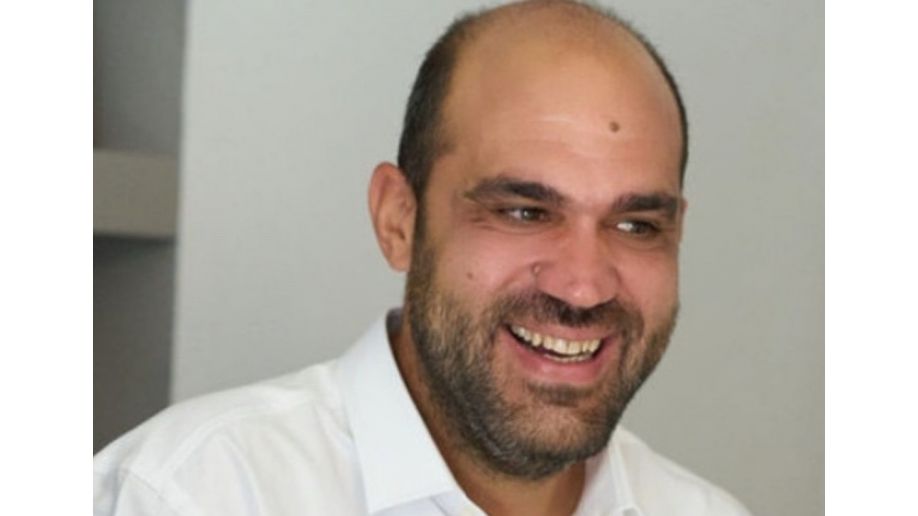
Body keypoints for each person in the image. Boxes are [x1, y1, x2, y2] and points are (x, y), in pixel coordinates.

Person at [94, 1, 753, 514]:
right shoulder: (187, 495)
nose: (583, 286)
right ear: (399, 220)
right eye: (524, 212)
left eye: (637, 225)